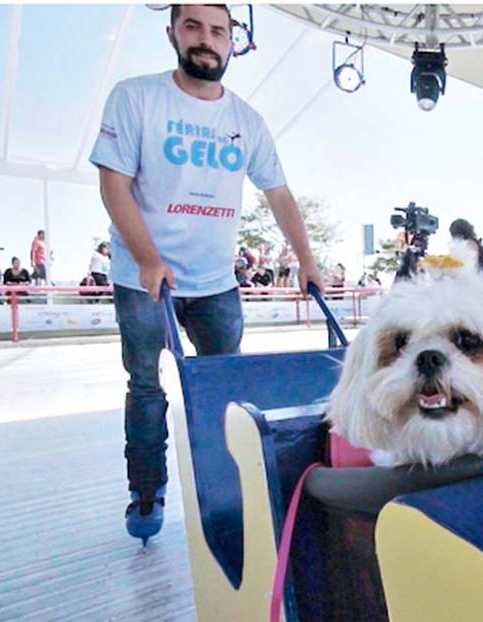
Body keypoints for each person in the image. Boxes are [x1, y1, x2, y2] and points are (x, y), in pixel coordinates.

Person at [90, 4, 324, 543]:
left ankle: (228, 491)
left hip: (216, 283)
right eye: (192, 26)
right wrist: (148, 257)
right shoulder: (136, 97)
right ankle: (146, 489)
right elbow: (113, 184)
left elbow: (279, 194)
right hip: (144, 279)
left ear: (232, 41)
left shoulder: (246, 120)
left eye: (218, 30)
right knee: (146, 385)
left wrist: (306, 259)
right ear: (172, 33)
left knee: (226, 387)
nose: (206, 39)